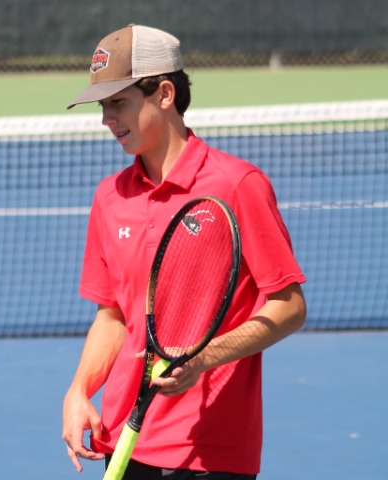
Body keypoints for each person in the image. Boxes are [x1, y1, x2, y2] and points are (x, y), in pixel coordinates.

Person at [62, 24, 307, 480]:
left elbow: (289, 306)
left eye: (118, 102)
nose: (107, 119)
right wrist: (78, 391)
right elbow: (113, 315)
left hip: (209, 452)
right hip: (124, 437)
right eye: (102, 106)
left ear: (165, 94)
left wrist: (202, 359)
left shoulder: (238, 185)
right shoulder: (110, 197)